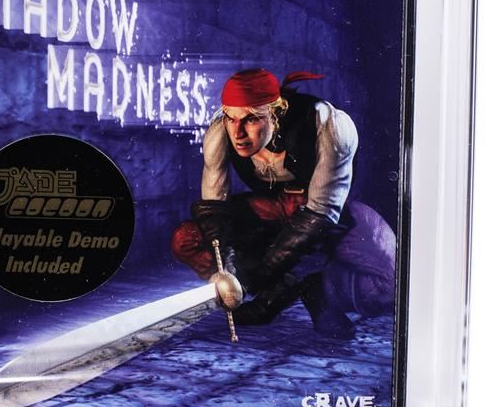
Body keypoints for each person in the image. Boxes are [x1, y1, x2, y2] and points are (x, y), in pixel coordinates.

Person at [169, 68, 396, 338]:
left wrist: (263, 289)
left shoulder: (329, 124)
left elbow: (321, 214)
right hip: (269, 210)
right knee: (186, 238)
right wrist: (227, 268)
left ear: (276, 113)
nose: (237, 132)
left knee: (388, 284)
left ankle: (316, 294)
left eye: (251, 119)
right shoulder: (220, 130)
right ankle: (270, 288)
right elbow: (213, 209)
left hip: (326, 214)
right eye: (231, 118)